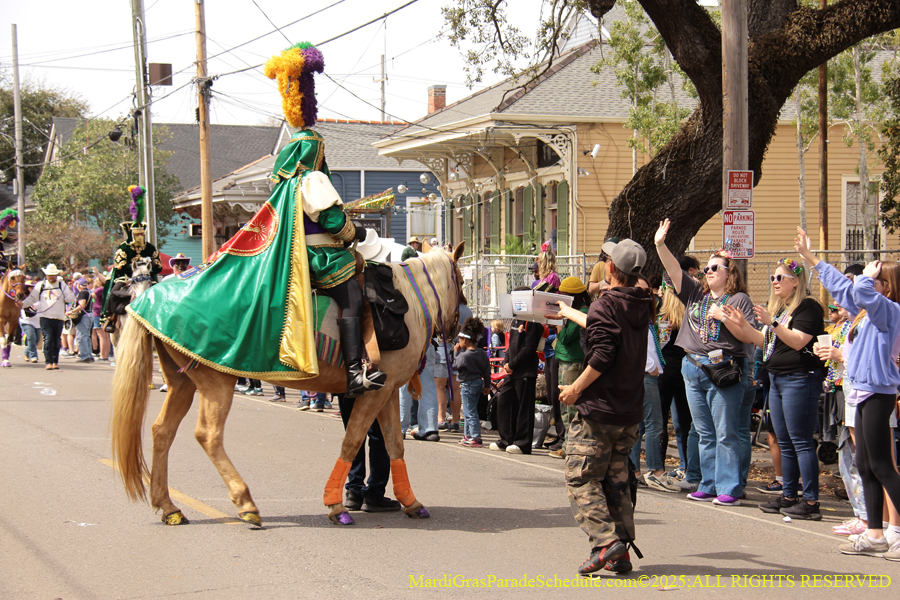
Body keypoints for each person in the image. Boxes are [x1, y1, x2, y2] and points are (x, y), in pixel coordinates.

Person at [795, 227, 900, 559]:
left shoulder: (890, 312)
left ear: (887, 286)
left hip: (879, 393)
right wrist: (812, 259)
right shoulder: (867, 313)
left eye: (874, 279)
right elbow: (843, 288)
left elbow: (863, 293)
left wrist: (867, 276)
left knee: (882, 464)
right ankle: (875, 534)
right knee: (865, 464)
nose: (865, 282)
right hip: (862, 391)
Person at [553, 238, 651, 575]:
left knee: (580, 478)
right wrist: (569, 312)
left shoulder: (606, 305)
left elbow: (603, 353)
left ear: (610, 267)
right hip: (628, 411)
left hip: (599, 411)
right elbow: (610, 329)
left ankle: (606, 543)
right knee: (616, 480)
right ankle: (621, 550)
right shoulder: (641, 303)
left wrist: (575, 389)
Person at [654, 219, 756, 506]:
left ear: (729, 273)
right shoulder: (696, 293)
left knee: (726, 432)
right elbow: (675, 270)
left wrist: (725, 317)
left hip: (724, 369)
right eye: (706, 269)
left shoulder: (739, 300)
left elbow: (746, 337)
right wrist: (660, 244)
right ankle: (708, 484)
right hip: (693, 367)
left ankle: (729, 487)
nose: (708, 272)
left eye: (714, 268)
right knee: (703, 431)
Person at [724, 258, 826, 520]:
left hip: (800, 378)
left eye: (780, 278)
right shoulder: (782, 309)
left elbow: (798, 341)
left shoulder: (808, 306)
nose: (774, 282)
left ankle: (811, 501)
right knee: (784, 438)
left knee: (801, 440)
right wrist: (742, 324)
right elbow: (762, 341)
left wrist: (773, 323)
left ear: (796, 281)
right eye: (773, 278)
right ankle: (789, 495)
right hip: (778, 378)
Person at [630, 273, 679, 493]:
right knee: (654, 424)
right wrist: (650, 367)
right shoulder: (634, 316)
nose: (646, 296)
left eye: (648, 292)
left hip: (648, 373)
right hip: (644, 375)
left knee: (640, 425)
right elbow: (635, 347)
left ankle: (634, 471)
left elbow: (652, 345)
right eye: (639, 291)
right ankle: (655, 471)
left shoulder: (645, 316)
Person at [101, 185, 163, 332]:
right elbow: (119, 266)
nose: (140, 236)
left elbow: (158, 266)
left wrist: (149, 267)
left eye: (142, 234)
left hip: (147, 277)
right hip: (126, 278)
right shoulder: (124, 248)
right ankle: (110, 318)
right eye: (137, 234)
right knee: (113, 293)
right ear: (132, 234)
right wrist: (134, 267)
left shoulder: (150, 248)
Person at [656, 277, 698, 491]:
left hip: (665, 370)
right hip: (684, 368)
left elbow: (659, 346)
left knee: (660, 421)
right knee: (685, 421)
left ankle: (659, 467)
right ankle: (689, 466)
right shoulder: (690, 318)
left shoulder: (662, 317)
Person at [490, 295, 545, 455]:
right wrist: (506, 363)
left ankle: (523, 443)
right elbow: (510, 345)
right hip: (511, 371)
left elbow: (529, 348)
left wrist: (513, 364)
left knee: (524, 408)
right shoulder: (515, 320)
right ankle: (506, 439)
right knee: (504, 401)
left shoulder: (533, 322)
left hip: (525, 370)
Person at [337, 393, 402, 513]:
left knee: (353, 435)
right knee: (379, 436)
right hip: (375, 387)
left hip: (347, 388)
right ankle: (374, 493)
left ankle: (354, 490)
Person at [548, 276, 591, 459]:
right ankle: (567, 445)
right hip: (566, 361)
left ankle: (571, 447)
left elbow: (565, 337)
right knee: (564, 405)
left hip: (573, 363)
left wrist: (559, 324)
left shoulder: (581, 312)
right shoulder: (575, 312)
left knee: (570, 407)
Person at [21, 264, 76, 370]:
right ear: (46, 275)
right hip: (45, 317)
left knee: (56, 340)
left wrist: (69, 291)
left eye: (53, 275)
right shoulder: (41, 285)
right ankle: (48, 361)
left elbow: (70, 299)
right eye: (49, 275)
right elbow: (32, 298)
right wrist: (22, 304)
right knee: (48, 339)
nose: (51, 277)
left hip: (59, 317)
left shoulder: (62, 285)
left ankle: (55, 361)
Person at [454, 316, 491, 448]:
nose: (459, 343)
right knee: (470, 410)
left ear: (465, 340)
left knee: (469, 412)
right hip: (478, 382)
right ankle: (468, 435)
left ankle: (476, 437)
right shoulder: (481, 353)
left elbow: (455, 365)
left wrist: (456, 353)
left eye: (460, 340)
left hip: (467, 385)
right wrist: (487, 385)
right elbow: (487, 370)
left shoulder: (464, 356)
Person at [69, 277, 95, 363]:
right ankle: (89, 355)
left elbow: (82, 305)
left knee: (81, 336)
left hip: (84, 315)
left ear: (79, 285)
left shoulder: (82, 293)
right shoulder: (88, 292)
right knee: (86, 336)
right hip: (90, 314)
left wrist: (72, 311)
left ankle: (85, 356)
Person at [18, 280, 39, 363]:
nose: (32, 289)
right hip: (26, 321)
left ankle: (26, 352)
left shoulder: (39, 296)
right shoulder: (23, 297)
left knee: (36, 340)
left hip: (37, 321)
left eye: (33, 287)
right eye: (30, 287)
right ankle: (34, 356)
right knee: (31, 337)